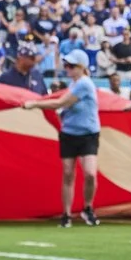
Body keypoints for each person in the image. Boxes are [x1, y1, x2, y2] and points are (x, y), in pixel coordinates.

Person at [38, 49, 104, 227]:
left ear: (81, 67)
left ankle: (87, 207)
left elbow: (61, 103)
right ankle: (66, 213)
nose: (68, 69)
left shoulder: (84, 84)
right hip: (69, 133)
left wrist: (35, 104)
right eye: (67, 65)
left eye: (72, 66)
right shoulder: (73, 85)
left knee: (90, 173)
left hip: (88, 133)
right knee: (68, 173)